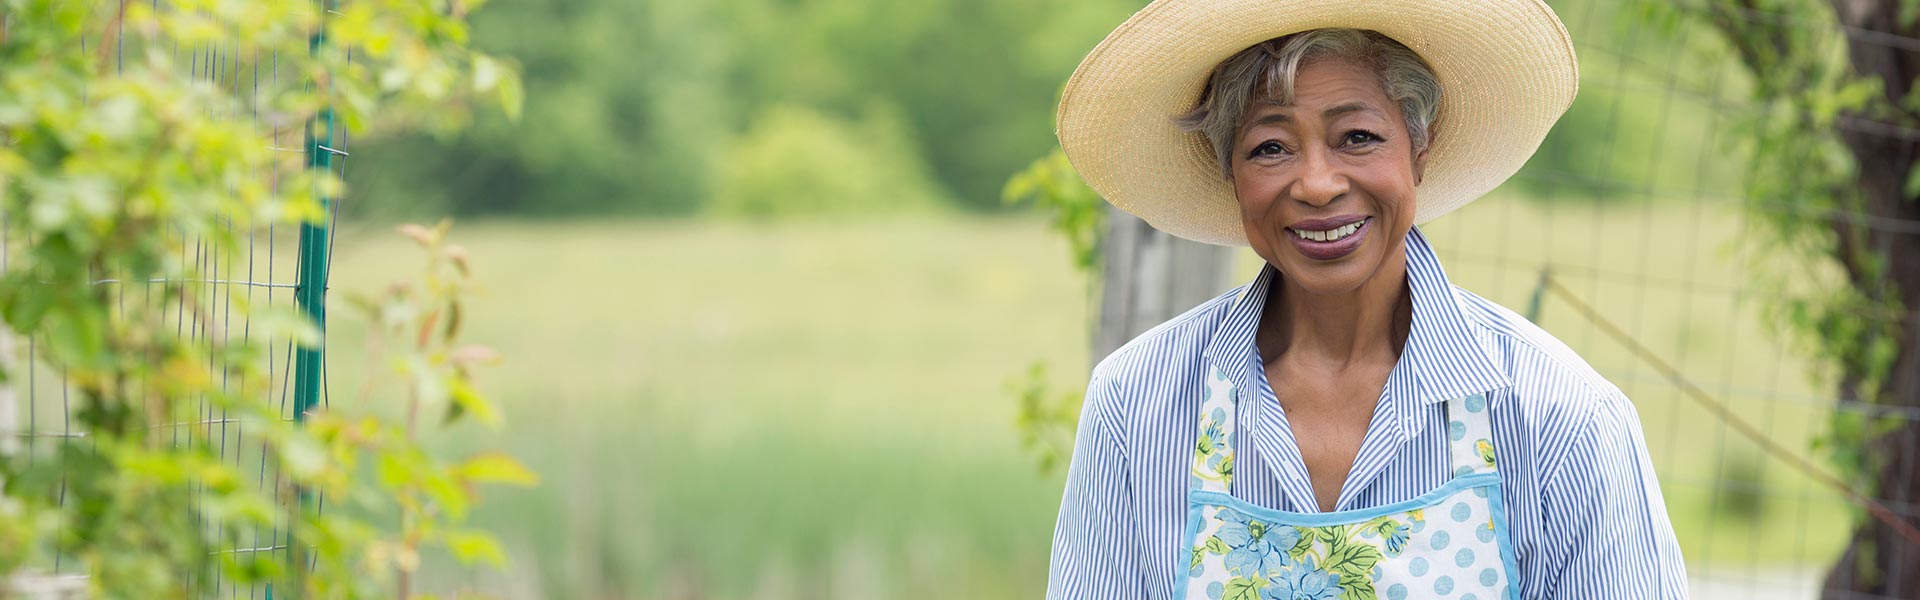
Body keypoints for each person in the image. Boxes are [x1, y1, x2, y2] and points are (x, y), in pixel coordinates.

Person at [1045, 1, 1687, 598]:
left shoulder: (1561, 414)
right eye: (1270, 148)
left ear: (1420, 149)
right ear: (1230, 176)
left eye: (1357, 136)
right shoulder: (1138, 403)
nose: (1318, 184)